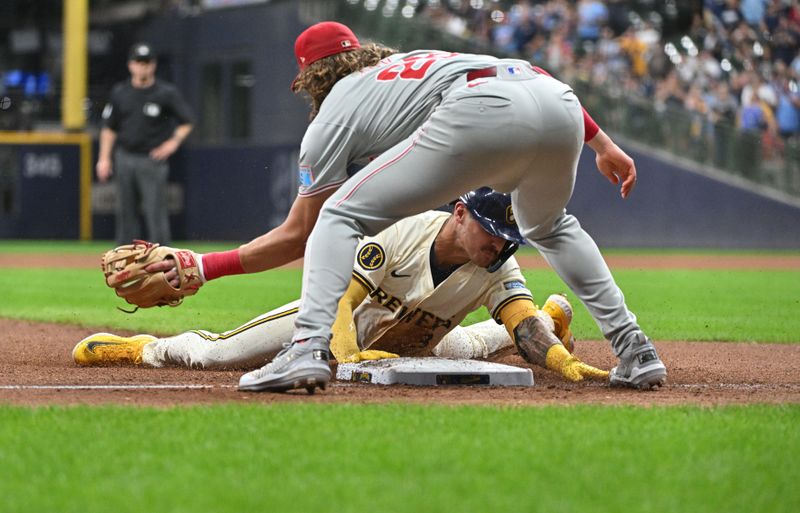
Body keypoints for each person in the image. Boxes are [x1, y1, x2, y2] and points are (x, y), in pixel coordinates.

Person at [241, 21, 667, 393]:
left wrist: (210, 268)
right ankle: (635, 349)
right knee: (550, 227)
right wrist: (604, 144)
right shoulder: (414, 62)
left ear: (311, 78)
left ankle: (305, 349)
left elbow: (301, 230)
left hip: (481, 108)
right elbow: (532, 73)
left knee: (338, 213)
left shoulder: (332, 113)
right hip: (559, 102)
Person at [74, 189, 608, 388]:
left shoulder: (498, 263)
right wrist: (348, 357)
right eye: (492, 235)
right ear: (461, 214)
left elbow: (517, 319)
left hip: (412, 339)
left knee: (466, 343)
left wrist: (558, 359)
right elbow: (341, 298)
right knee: (218, 355)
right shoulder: (405, 231)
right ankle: (149, 348)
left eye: (507, 241)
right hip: (330, 319)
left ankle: (556, 312)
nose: (500, 248)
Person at [96, 43, 194, 245]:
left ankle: (162, 261)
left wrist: (172, 144)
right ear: (131, 65)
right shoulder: (120, 92)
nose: (143, 67)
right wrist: (104, 158)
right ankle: (124, 261)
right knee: (125, 214)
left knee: (155, 212)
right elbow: (109, 128)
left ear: (154, 65)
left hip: (152, 159)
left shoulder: (165, 93)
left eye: (147, 62)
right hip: (125, 156)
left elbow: (188, 121)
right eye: (139, 62)